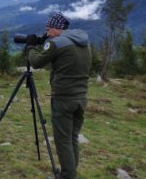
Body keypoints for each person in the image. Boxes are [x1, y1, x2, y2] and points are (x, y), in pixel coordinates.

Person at [25, 12, 91, 179]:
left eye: (48, 29)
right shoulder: (83, 41)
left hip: (64, 99)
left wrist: (31, 47)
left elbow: (37, 62)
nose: (47, 34)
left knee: (62, 141)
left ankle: (67, 176)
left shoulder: (56, 43)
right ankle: (71, 172)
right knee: (72, 137)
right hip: (81, 98)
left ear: (57, 28)